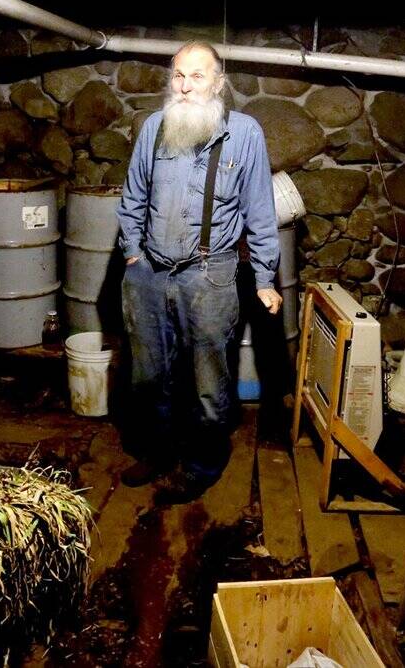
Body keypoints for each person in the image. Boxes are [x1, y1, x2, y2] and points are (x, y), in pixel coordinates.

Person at [116, 41, 282, 504]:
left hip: (210, 275)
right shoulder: (155, 127)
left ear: (219, 83)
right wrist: (133, 252)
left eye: (198, 76)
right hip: (148, 273)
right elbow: (132, 198)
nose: (186, 86)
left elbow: (260, 211)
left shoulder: (244, 133)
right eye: (178, 76)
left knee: (208, 382)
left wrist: (266, 278)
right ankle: (159, 452)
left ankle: (202, 465)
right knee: (149, 376)